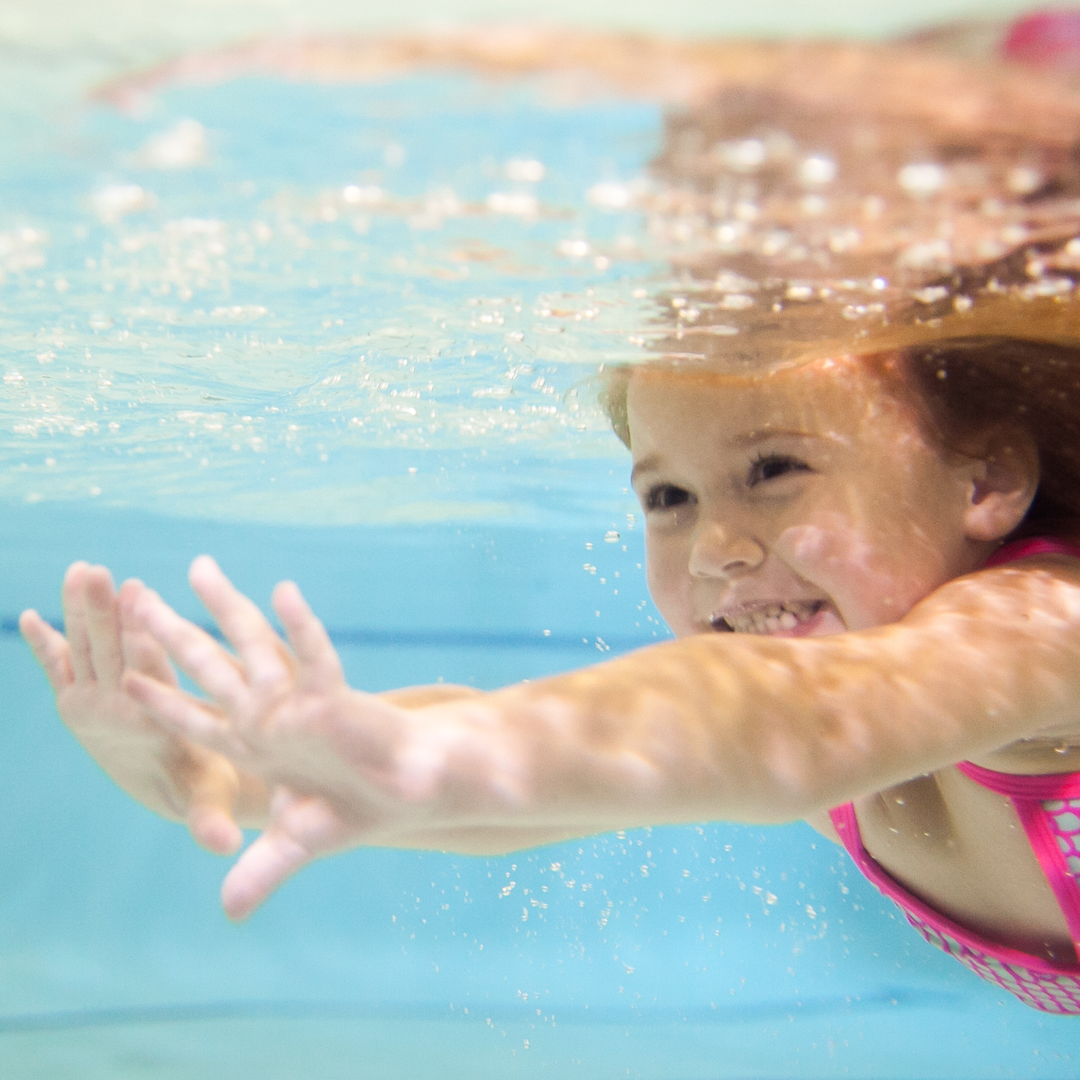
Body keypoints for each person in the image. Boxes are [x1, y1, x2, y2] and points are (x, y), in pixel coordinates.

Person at [18, 31, 1080, 1015]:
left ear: (984, 478)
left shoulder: (1044, 634)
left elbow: (786, 719)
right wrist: (222, 776)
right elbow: (522, 773)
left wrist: (426, 761)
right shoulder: (846, 734)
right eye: (669, 497)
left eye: (775, 469)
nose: (716, 548)